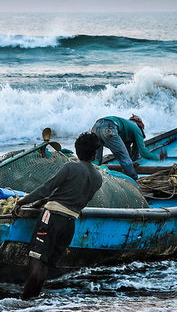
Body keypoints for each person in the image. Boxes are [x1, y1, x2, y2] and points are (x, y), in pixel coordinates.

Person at [12, 132, 102, 299]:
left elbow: (47, 187)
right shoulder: (98, 177)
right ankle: (34, 302)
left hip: (51, 218)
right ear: (94, 154)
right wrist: (45, 201)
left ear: (77, 151)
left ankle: (24, 303)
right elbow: (75, 198)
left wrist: (22, 202)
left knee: (36, 260)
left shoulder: (70, 167)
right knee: (45, 263)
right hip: (69, 224)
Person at [91, 115, 166, 181]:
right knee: (124, 160)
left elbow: (126, 150)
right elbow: (143, 152)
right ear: (140, 124)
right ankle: (134, 181)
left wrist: (131, 163)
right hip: (109, 127)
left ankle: (92, 178)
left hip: (96, 126)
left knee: (97, 160)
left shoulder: (126, 126)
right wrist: (158, 157)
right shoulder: (137, 128)